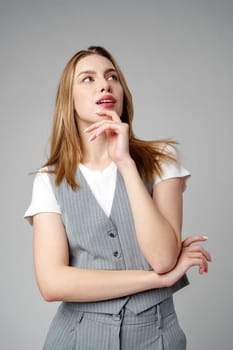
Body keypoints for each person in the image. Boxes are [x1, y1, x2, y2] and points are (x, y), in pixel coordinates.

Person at [24, 46, 211, 350]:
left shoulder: (162, 160)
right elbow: (52, 283)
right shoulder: (50, 179)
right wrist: (157, 281)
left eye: (112, 77)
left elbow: (163, 258)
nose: (104, 84)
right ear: (68, 102)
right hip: (75, 339)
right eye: (88, 79)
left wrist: (125, 163)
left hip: (156, 337)